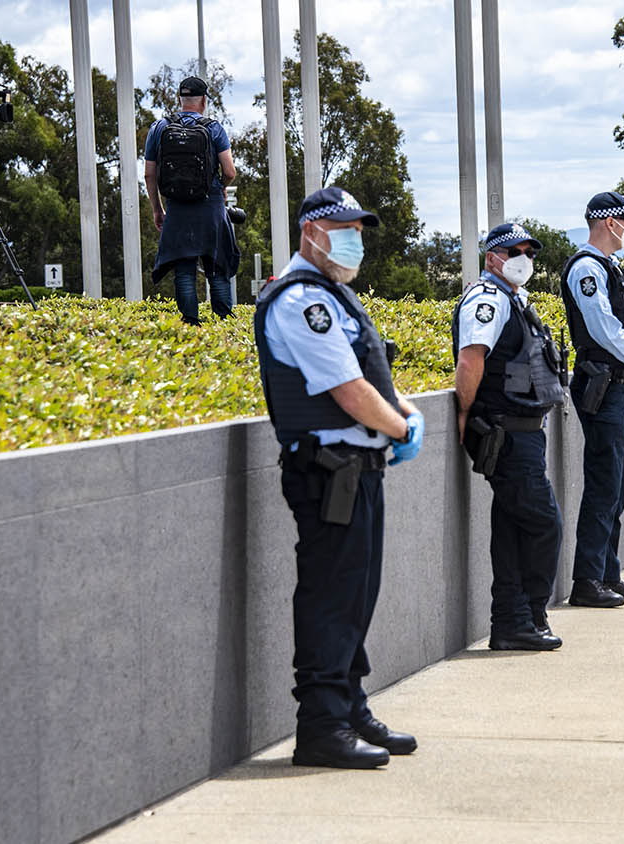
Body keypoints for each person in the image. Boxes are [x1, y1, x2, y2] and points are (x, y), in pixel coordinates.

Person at [254, 187, 425, 769]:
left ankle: (350, 706)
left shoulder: (336, 296)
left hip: (356, 470)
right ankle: (321, 726)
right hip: (328, 472)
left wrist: (404, 412)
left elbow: (368, 375)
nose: (355, 237)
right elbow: (347, 392)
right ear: (312, 232)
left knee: (356, 593)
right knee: (331, 595)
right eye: (343, 227)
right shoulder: (303, 301)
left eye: (359, 227)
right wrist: (400, 431)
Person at [452, 223, 567, 650]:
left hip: (524, 434)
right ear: (492, 258)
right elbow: (471, 360)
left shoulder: (515, 301)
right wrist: (464, 412)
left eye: (529, 252)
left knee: (512, 529)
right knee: (543, 523)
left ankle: (510, 623)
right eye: (514, 251)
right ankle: (529, 614)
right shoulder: (487, 301)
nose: (525, 259)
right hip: (505, 433)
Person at [559, 192, 624, 608]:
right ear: (607, 222)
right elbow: (601, 327)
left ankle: (608, 573)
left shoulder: (612, 268)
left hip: (621, 387)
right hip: (603, 386)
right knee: (603, 484)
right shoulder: (586, 268)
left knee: (618, 484)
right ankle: (587, 580)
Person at [144, 75, 240, 324]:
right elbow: (229, 171)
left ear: (180, 99)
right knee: (216, 266)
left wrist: (158, 209)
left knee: (184, 270)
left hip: (177, 208)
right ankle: (224, 324)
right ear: (204, 101)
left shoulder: (159, 128)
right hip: (210, 207)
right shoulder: (214, 128)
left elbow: (149, 173)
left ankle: (190, 324)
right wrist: (222, 188)